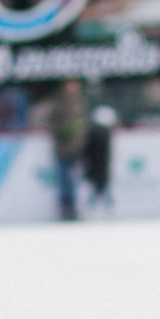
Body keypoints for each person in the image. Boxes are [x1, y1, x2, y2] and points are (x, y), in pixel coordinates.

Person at [47, 77, 89, 221]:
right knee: (65, 179)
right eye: (71, 83)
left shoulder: (79, 101)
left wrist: (81, 137)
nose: (74, 86)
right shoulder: (60, 102)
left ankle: (78, 207)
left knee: (77, 178)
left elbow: (83, 123)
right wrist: (67, 130)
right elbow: (53, 122)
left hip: (77, 148)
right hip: (63, 147)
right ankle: (67, 208)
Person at [84, 104, 118, 214]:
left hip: (98, 168)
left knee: (100, 189)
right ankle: (105, 208)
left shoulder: (95, 133)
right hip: (99, 168)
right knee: (100, 188)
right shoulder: (101, 134)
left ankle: (97, 208)